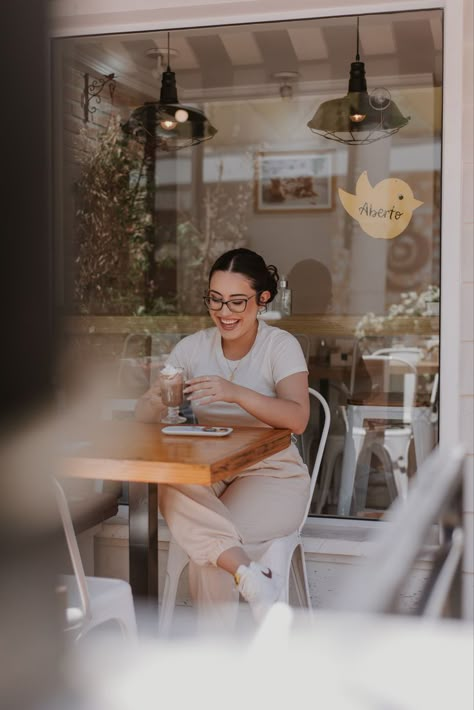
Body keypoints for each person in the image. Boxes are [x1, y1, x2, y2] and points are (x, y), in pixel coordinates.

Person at [135, 248, 310, 626]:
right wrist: (153, 399)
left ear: (262, 299)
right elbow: (143, 415)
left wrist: (235, 393)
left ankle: (216, 663)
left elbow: (298, 417)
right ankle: (251, 576)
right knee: (170, 484)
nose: (224, 312)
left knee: (211, 554)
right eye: (215, 300)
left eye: (236, 302)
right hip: (211, 470)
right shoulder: (193, 348)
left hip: (273, 473)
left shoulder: (279, 346)